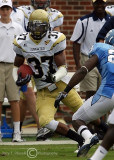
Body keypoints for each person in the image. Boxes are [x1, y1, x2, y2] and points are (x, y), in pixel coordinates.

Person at [13, 9, 85, 148]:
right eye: (35, 26)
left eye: (41, 26)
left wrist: (54, 77)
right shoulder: (22, 42)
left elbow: (63, 67)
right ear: (29, 26)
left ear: (47, 27)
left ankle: (105, 133)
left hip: (60, 84)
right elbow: (17, 65)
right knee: (45, 120)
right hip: (43, 89)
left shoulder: (54, 39)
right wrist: (20, 76)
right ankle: (81, 139)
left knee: (84, 111)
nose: (38, 30)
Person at [54, 28, 114, 157]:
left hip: (109, 92)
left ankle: (88, 137)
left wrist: (66, 91)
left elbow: (83, 70)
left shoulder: (101, 48)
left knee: (77, 118)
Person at [18, 0, 64, 141]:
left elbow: (57, 43)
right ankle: (41, 128)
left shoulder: (55, 15)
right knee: (28, 92)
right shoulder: (22, 12)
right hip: (27, 57)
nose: (41, 1)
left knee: (27, 97)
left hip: (45, 60)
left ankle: (19, 129)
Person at [70, 0, 110, 100]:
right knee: (91, 92)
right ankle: (89, 115)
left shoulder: (110, 20)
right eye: (97, 3)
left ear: (105, 4)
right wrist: (78, 65)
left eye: (102, 3)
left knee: (105, 93)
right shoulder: (84, 21)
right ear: (93, 4)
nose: (99, 5)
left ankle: (103, 116)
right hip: (88, 58)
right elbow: (76, 43)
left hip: (106, 61)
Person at [0, 0, 24, 142]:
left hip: (14, 67)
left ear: (11, 9)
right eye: (2, 8)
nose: (4, 11)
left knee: (15, 100)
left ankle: (17, 133)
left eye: (7, 8)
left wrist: (23, 66)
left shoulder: (18, 27)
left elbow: (23, 48)